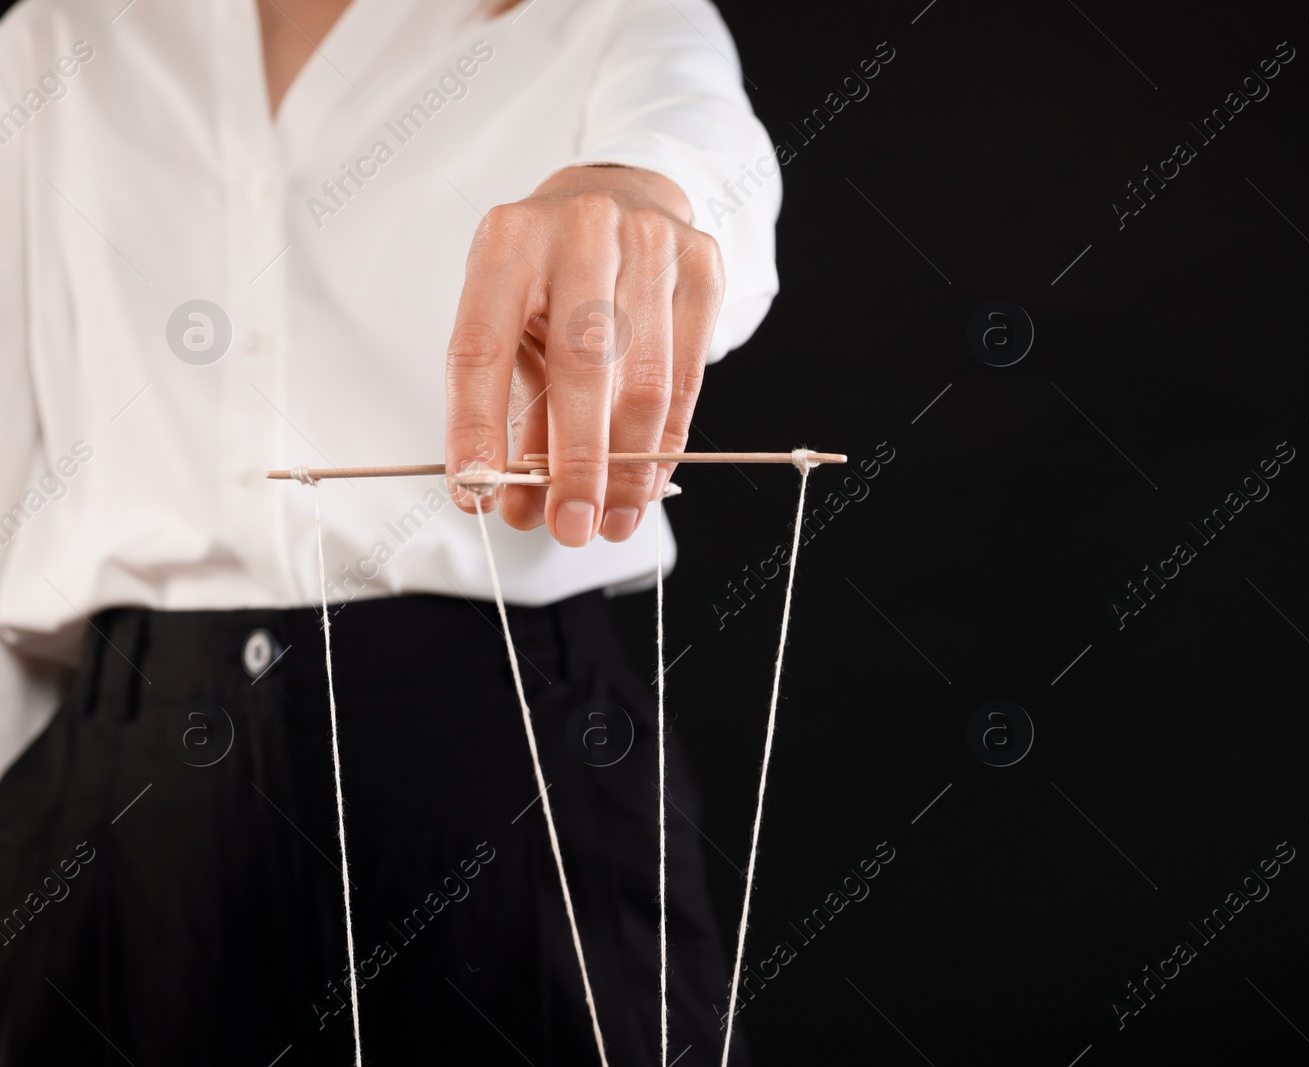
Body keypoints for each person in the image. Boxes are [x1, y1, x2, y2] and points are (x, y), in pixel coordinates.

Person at [0, 0, 780, 1063]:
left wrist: (637, 200)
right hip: (121, 805)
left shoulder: (613, 16)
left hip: (507, 777)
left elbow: (705, 174)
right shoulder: (55, 40)